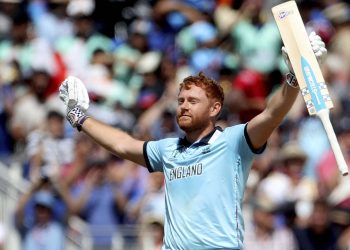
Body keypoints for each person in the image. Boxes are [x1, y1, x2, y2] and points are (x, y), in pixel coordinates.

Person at [58, 32, 327, 249]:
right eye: (181, 101)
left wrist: (294, 76)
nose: (183, 106)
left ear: (215, 109)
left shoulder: (234, 142)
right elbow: (121, 144)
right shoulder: (168, 149)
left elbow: (273, 113)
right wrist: (79, 117)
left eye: (193, 101)